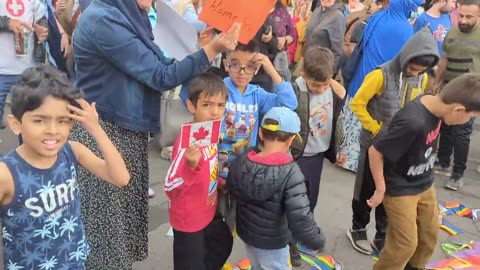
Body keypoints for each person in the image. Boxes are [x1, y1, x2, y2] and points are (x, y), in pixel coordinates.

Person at [71, 0, 240, 268]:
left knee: (120, 230)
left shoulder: (127, 15)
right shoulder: (104, 20)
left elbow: (160, 63)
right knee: (106, 233)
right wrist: (211, 50)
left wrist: (201, 50)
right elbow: (160, 74)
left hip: (124, 130)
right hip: (105, 133)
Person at [0, 65, 130, 269]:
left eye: (62, 121)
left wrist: (95, 128)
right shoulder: (6, 173)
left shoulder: (72, 151)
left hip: (75, 262)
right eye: (39, 120)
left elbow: (121, 178)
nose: (53, 131)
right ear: (16, 124)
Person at [369, 73, 480, 270]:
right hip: (400, 189)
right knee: (404, 245)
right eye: (470, 117)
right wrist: (380, 188)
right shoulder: (413, 121)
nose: (467, 123)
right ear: (458, 109)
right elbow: (375, 151)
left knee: (429, 237)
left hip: (425, 183)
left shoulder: (437, 108)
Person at [348, 27, 439, 255]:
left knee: (388, 191)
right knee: (367, 190)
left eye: (419, 71)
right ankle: (358, 228)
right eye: (411, 68)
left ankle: (382, 234)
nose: (413, 73)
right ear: (405, 57)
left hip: (399, 150)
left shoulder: (422, 77)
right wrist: (376, 129)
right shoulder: (380, 75)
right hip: (373, 144)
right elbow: (357, 104)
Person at [227, 107, 326, 270]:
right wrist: (317, 239)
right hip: (274, 241)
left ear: (260, 133)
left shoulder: (243, 160)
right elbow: (300, 216)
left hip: (248, 234)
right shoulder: (290, 172)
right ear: (290, 140)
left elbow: (232, 188)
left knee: (257, 265)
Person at [338, 0, 423, 173]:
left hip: (359, 79)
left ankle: (345, 158)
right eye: (414, 5)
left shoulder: (378, 17)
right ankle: (360, 162)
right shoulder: (404, 28)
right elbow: (399, 62)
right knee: (369, 123)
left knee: (353, 117)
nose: (416, 9)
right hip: (379, 85)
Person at [164, 73, 233, 270]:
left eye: (220, 105)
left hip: (208, 210)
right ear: (191, 106)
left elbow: (211, 164)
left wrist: (219, 183)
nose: (215, 112)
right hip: (189, 219)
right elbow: (170, 186)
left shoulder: (210, 131)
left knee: (223, 243)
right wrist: (189, 167)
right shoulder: (187, 142)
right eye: (207, 105)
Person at [289, 47, 346, 266]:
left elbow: (343, 98)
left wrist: (340, 150)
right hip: (298, 155)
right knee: (295, 201)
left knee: (311, 197)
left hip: (318, 155)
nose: (320, 88)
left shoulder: (331, 88)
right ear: (304, 76)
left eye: (325, 83)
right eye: (315, 84)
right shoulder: (297, 88)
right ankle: (290, 241)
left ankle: (303, 231)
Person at [433, 0, 480, 191]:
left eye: (469, 17)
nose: (464, 20)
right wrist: (436, 82)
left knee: (462, 133)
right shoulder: (452, 32)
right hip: (449, 88)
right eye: (461, 15)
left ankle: (457, 174)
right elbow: (445, 58)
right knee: (445, 126)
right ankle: (443, 161)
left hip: (471, 93)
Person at [0, 1, 49, 139]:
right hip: (1, 71)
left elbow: (41, 19)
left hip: (28, 70)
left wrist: (42, 30)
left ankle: (26, 157)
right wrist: (7, 22)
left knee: (29, 119)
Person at [304, 0, 347, 74]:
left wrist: (328, 74)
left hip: (320, 70)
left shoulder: (338, 16)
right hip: (307, 63)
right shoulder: (317, 10)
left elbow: (337, 51)